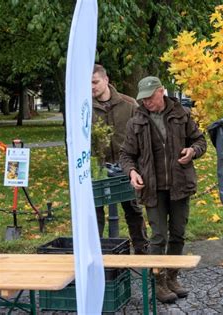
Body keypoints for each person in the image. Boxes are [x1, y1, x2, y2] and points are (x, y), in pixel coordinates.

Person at [120, 76, 207, 303]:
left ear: (161, 92)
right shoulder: (136, 121)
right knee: (158, 236)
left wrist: (193, 151)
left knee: (177, 233)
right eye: (143, 99)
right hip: (152, 187)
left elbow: (200, 140)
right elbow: (126, 155)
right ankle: (158, 282)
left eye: (150, 97)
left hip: (180, 183)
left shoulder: (182, 115)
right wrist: (132, 172)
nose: (146, 102)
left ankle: (172, 277)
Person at [91, 64, 148, 254]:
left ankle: (142, 251)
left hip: (127, 166)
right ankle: (96, 255)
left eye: (95, 82)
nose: (92, 87)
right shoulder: (84, 108)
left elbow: (144, 135)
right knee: (96, 211)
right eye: (88, 83)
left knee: (133, 210)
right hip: (97, 167)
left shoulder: (129, 104)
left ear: (106, 80)